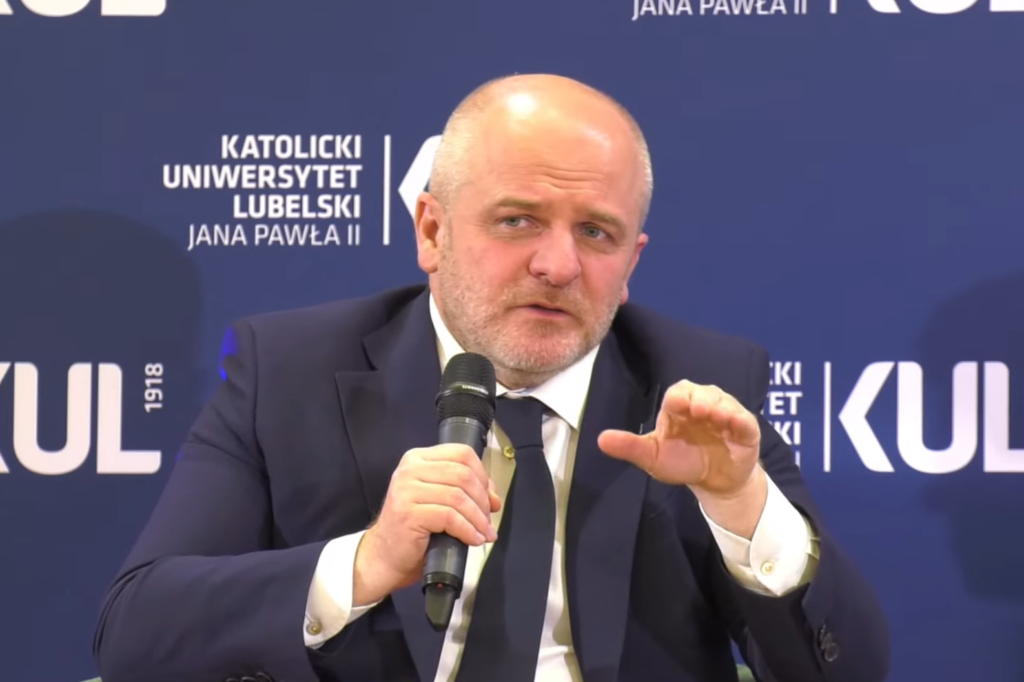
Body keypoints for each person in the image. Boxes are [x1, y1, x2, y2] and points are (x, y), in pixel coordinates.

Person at [93, 73, 890, 682]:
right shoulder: (288, 372)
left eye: (596, 233)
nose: (558, 264)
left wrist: (741, 504)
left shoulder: (697, 387)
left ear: (631, 263)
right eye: (518, 221)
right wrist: (364, 563)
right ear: (432, 231)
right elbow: (135, 633)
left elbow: (847, 669)